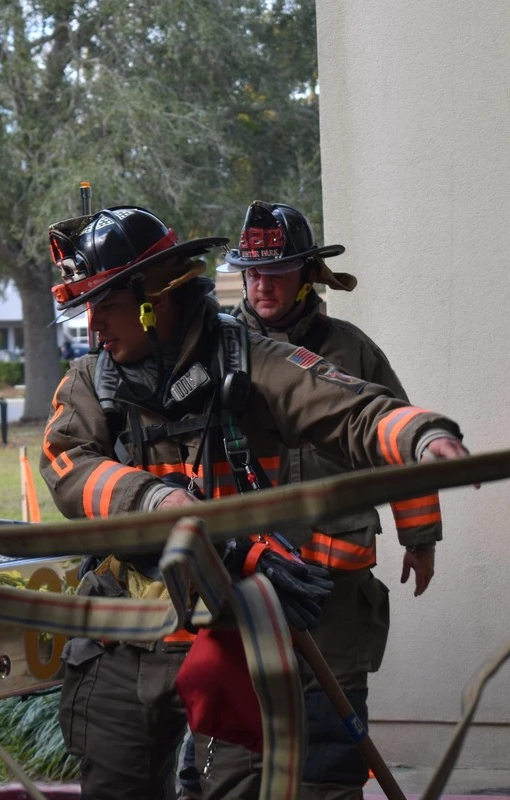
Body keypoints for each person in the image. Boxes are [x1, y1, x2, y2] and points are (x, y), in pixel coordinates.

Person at [40, 205, 470, 800]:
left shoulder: (251, 359)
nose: (95, 325)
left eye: (106, 305)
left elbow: (356, 410)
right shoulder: (89, 381)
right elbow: (67, 467)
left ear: (154, 298)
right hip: (125, 635)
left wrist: (423, 436)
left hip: (231, 635)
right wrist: (159, 501)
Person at [201, 201, 443, 799]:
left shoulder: (353, 352)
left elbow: (398, 445)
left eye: (277, 271)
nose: (262, 285)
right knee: (239, 733)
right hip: (250, 580)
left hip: (336, 587)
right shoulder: (217, 354)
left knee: (332, 747)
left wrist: (421, 537)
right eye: (252, 273)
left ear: (308, 273)